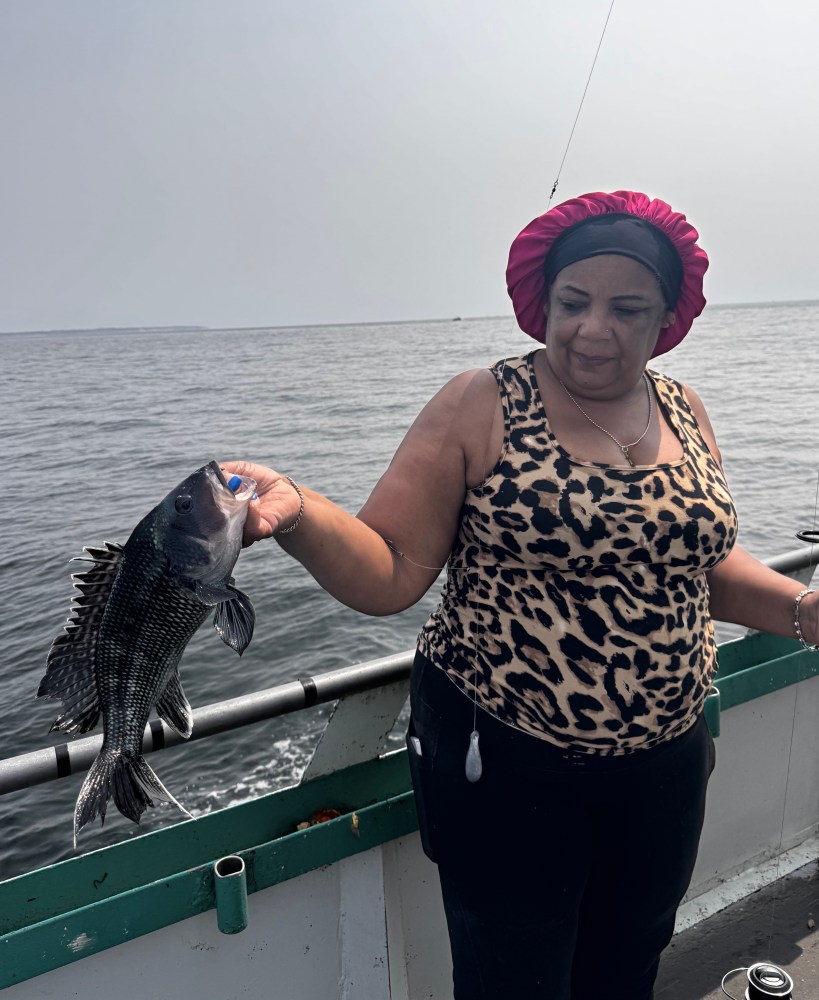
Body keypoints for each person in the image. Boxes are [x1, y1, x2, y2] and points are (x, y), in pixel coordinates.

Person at [223, 189, 819, 1000]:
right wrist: (299, 513)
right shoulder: (482, 401)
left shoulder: (680, 406)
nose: (592, 329)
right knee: (515, 976)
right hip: (506, 758)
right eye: (573, 302)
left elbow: (696, 565)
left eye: (626, 308)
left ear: (666, 317)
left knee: (630, 955)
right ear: (543, 298)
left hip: (666, 757)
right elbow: (392, 569)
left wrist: (799, 611)